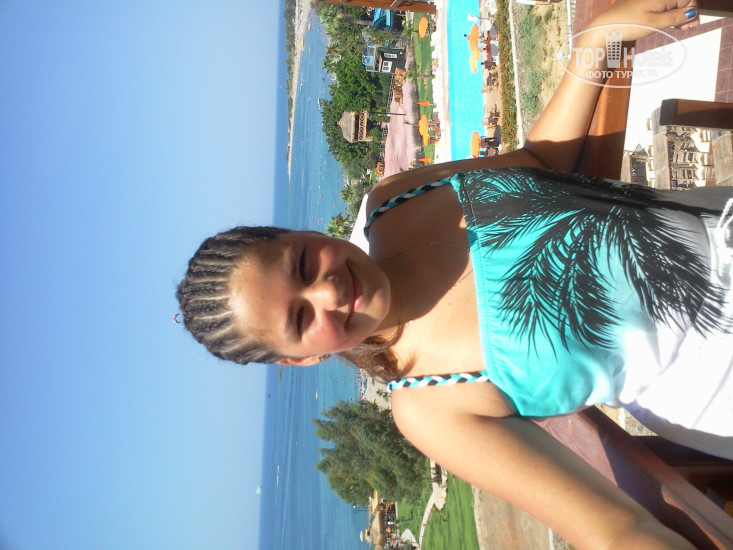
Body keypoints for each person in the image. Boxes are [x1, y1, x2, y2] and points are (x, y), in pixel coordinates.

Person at [177, 1, 732, 547]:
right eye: (300, 319)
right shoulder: (430, 407)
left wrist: (598, 42)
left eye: (302, 263)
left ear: (303, 233)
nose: (327, 289)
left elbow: (541, 162)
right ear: (301, 359)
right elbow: (615, 531)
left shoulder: (395, 200)